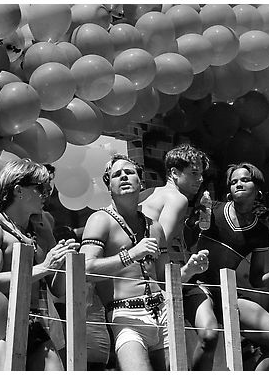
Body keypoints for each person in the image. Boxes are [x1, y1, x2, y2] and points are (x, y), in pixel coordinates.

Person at [81, 154, 203, 370]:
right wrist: (131, 255)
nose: (124, 177)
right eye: (116, 175)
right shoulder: (100, 220)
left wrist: (189, 270)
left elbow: (166, 282)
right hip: (126, 317)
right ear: (109, 187)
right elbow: (85, 269)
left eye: (129, 172)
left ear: (141, 182)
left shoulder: (153, 226)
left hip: (163, 311)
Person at [186, 162, 269, 371]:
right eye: (233, 182)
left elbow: (256, 279)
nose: (238, 184)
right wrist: (195, 218)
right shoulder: (212, 209)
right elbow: (189, 234)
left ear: (258, 189)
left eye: (244, 179)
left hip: (229, 294)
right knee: (209, 335)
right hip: (199, 286)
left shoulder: (260, 232)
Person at [0, 159, 79, 371]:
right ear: (18, 191)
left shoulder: (41, 231)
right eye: (40, 188)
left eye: (48, 189)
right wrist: (44, 267)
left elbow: (57, 289)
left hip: (37, 324)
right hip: (1, 327)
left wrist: (60, 261)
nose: (46, 194)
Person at [139, 144, 217, 370]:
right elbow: (157, 243)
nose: (200, 179)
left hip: (150, 281)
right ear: (174, 173)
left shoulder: (148, 195)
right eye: (194, 173)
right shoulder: (177, 199)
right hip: (166, 282)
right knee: (209, 334)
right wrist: (186, 272)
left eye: (201, 173)